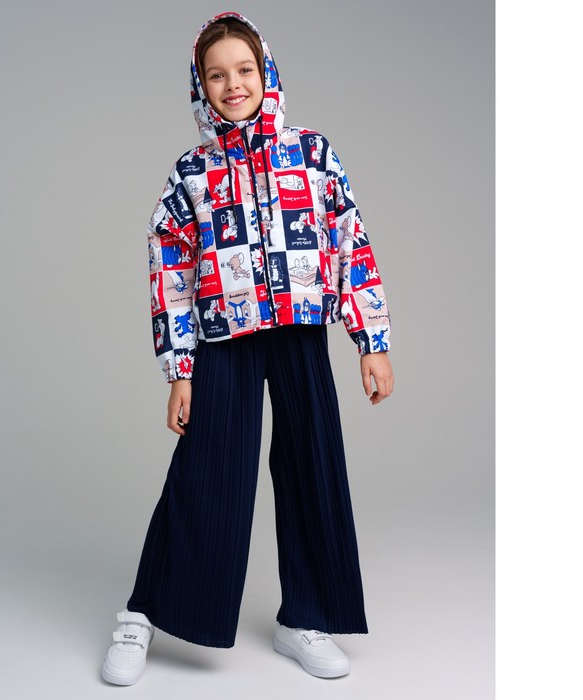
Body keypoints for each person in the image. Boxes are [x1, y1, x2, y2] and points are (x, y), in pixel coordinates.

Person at [101, 11, 394, 686]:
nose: (233, 85)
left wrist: (370, 341)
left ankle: (305, 619)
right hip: (222, 339)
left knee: (313, 466)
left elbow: (350, 243)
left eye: (244, 70)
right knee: (206, 473)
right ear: (200, 87)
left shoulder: (313, 154)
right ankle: (143, 613)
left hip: (299, 330)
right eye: (217, 75)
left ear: (266, 74)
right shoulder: (191, 174)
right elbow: (170, 274)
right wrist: (180, 371)